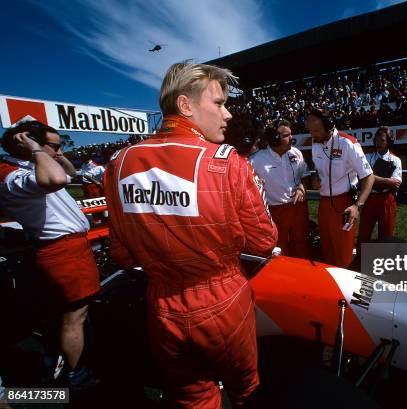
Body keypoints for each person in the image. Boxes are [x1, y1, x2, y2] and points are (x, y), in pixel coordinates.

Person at [104, 61, 278, 409]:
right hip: (223, 299)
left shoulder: (118, 163)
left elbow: (121, 255)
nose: (227, 114)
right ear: (186, 105)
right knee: (247, 394)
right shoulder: (229, 162)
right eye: (219, 103)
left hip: (161, 306)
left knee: (192, 398)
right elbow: (264, 242)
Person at [0, 120, 99, 391]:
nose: (58, 151)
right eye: (54, 146)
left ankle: (60, 365)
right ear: (27, 143)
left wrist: (51, 151)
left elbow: (69, 174)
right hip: (60, 250)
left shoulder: (33, 165)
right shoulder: (8, 172)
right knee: (74, 316)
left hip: (69, 248)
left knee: (69, 315)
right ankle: (75, 376)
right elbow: (56, 179)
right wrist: (36, 148)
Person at [307, 109, 374, 268]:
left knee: (343, 256)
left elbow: (368, 176)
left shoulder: (348, 143)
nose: (312, 134)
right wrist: (316, 180)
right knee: (327, 252)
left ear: (329, 126)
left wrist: (358, 206)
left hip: (344, 205)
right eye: (310, 131)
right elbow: (320, 171)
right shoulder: (315, 142)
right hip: (324, 204)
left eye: (316, 130)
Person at [250, 120, 311, 258]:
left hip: (298, 208)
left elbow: (305, 175)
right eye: (286, 136)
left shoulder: (296, 153)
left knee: (302, 244)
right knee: (280, 247)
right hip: (275, 210)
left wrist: (302, 187)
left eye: (291, 134)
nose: (291, 138)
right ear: (274, 139)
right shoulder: (256, 160)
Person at [359, 126, 402, 243]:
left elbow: (396, 183)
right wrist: (387, 181)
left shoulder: (396, 160)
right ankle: (360, 259)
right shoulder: (367, 157)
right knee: (363, 233)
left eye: (382, 140)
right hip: (369, 198)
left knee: (386, 235)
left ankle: (384, 260)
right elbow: (364, 178)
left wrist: (372, 178)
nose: (378, 143)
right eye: (376, 140)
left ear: (388, 142)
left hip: (387, 199)